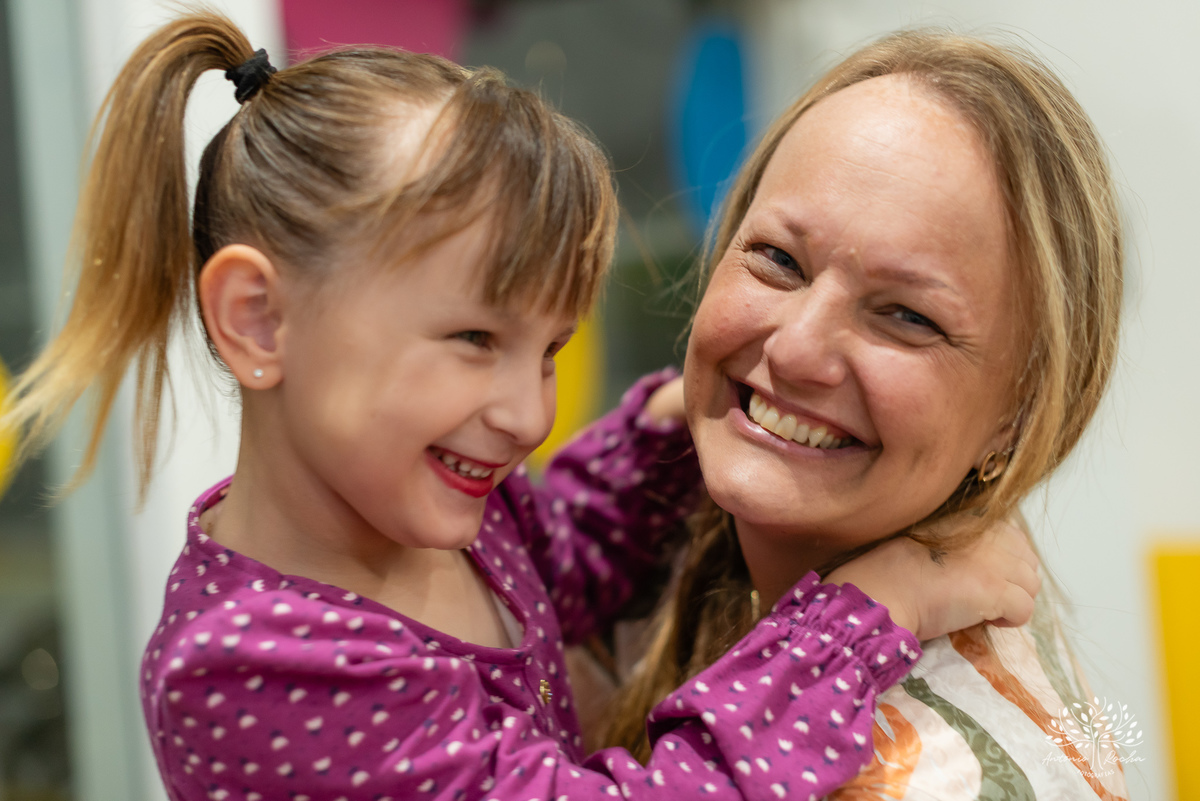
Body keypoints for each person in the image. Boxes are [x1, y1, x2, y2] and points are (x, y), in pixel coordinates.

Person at [1, 14, 1040, 801]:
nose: (525, 414)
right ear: (260, 321)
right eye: (473, 342)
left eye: (549, 351)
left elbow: (563, 556)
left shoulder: (420, 508)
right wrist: (877, 610)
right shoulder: (250, 665)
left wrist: (689, 423)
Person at [605, 29, 1129, 800]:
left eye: (908, 316)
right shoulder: (673, 521)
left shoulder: (940, 778)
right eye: (778, 259)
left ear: (1017, 417)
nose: (795, 351)